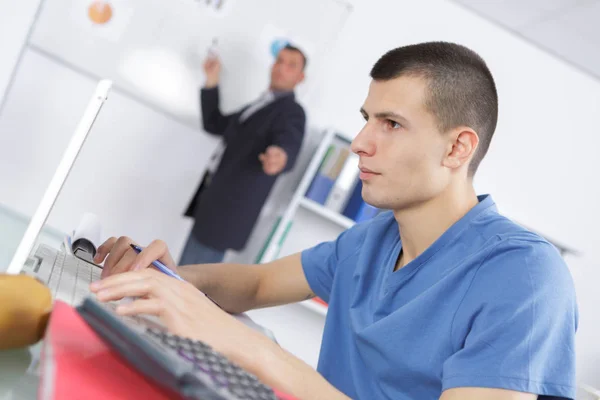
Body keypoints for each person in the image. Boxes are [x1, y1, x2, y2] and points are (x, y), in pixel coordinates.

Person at [90, 42, 578, 400]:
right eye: (367, 118)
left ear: (457, 148)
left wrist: (243, 345)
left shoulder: (525, 275)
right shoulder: (374, 238)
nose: (360, 142)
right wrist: (166, 277)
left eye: (391, 124)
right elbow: (258, 285)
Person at [180, 43, 307, 265]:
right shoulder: (259, 105)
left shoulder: (292, 112)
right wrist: (211, 79)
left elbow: (289, 146)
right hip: (212, 205)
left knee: (185, 282)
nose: (281, 68)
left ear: (300, 77)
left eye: (291, 65)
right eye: (279, 61)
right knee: (181, 274)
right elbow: (214, 124)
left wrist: (280, 157)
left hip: (226, 216)